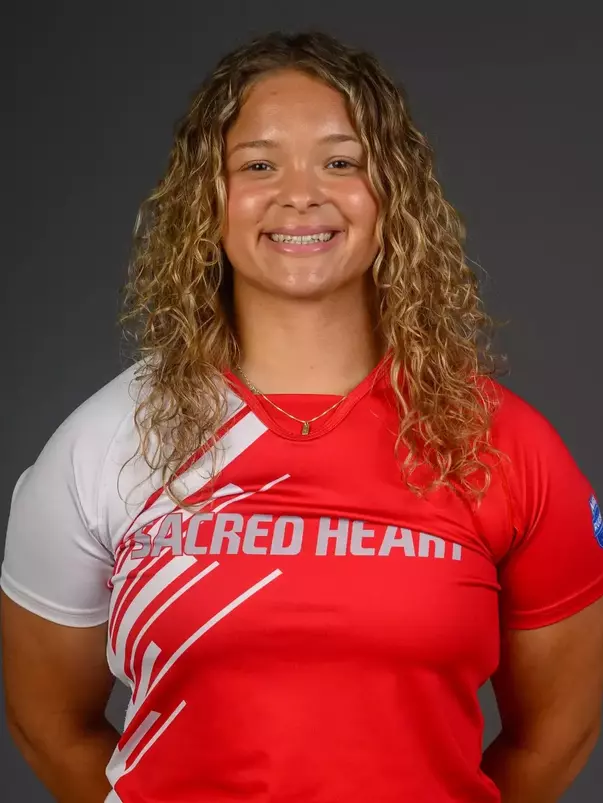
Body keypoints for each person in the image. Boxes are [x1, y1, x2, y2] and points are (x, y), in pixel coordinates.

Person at [2, 29, 603, 803]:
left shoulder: (504, 444)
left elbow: (557, 732)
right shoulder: (103, 442)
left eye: (341, 161)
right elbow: (48, 723)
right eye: (257, 163)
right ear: (208, 202)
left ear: (393, 194)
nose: (299, 193)